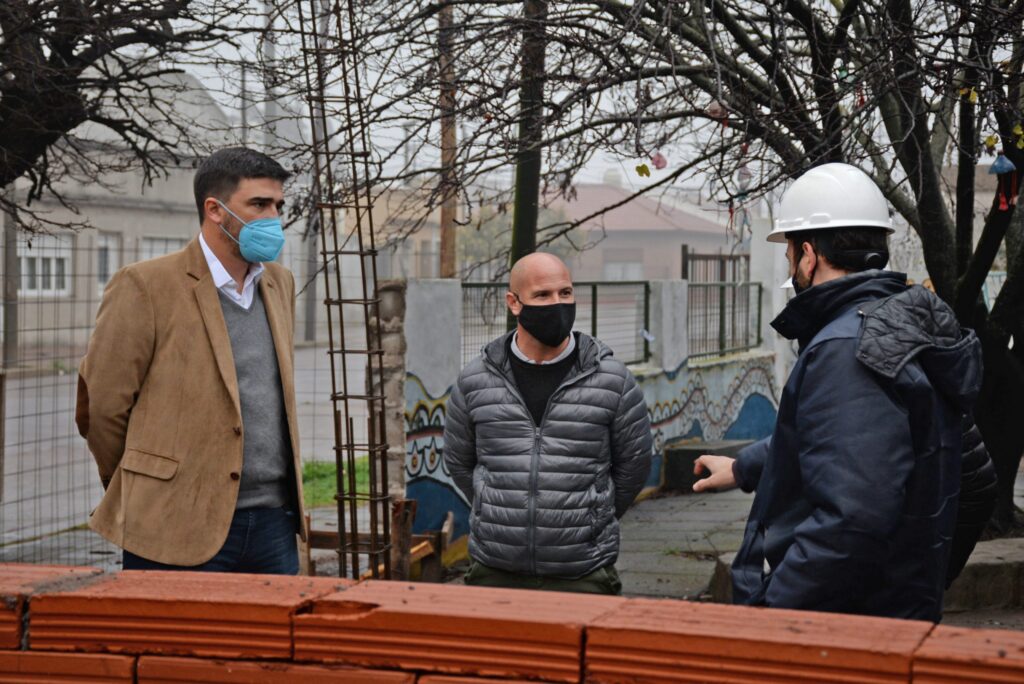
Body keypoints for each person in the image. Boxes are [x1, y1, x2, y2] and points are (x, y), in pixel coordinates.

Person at [693, 163, 983, 621]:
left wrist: (774, 614)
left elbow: (852, 521)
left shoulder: (847, 349)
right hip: (894, 614)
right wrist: (744, 467)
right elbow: (970, 479)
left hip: (844, 629)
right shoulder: (900, 331)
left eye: (790, 252)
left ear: (808, 255)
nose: (791, 264)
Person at [75, 147, 305, 573]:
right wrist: (140, 483)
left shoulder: (279, 283)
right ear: (215, 210)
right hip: (174, 524)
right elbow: (103, 408)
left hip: (273, 523)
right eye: (258, 204)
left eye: (278, 205)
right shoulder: (145, 285)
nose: (273, 218)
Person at [443, 252, 652, 594]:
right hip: (495, 569)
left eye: (565, 293)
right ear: (514, 303)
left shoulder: (612, 380)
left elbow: (635, 464)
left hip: (583, 573)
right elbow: (459, 461)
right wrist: (496, 510)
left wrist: (592, 519)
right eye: (542, 295)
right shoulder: (475, 381)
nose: (557, 304)